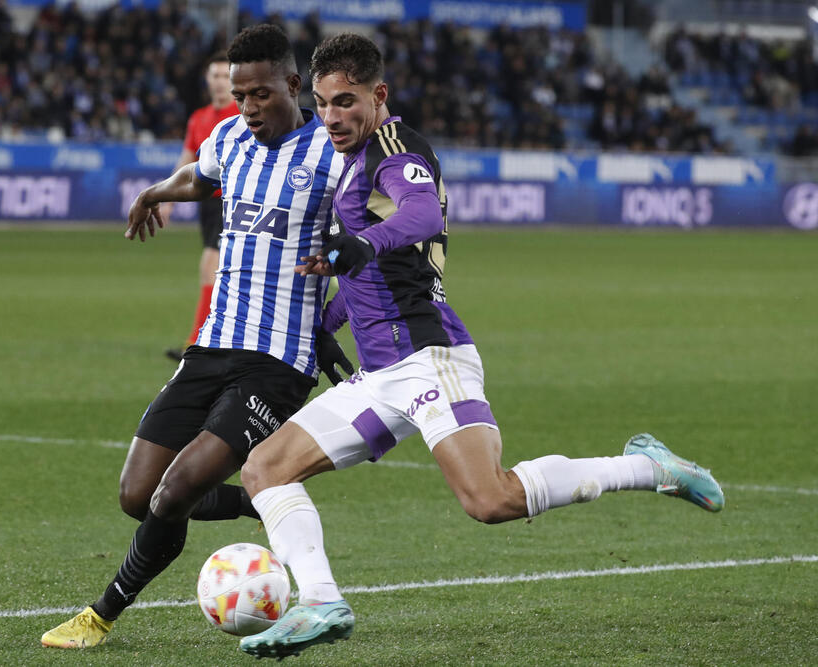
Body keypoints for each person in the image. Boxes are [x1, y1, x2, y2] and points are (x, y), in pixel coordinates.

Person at [236, 33, 725, 660]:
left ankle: (649, 467)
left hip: (431, 358)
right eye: (326, 104)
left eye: (347, 102)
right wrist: (332, 321)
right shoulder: (354, 160)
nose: (332, 117)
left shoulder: (397, 148)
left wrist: (363, 247)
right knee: (265, 470)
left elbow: (420, 217)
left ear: (378, 96)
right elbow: (371, 268)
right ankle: (321, 601)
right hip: (380, 371)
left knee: (490, 499)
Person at [40, 24, 350, 649]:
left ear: (293, 85)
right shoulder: (232, 137)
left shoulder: (330, 154)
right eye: (239, 96)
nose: (248, 108)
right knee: (139, 494)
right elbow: (199, 173)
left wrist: (334, 318)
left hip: (276, 363)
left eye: (260, 94)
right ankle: (265, 499)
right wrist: (156, 191)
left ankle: (99, 615)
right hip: (211, 347)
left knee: (177, 488)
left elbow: (373, 242)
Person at [161, 52, 240, 362]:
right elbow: (186, 160)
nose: (219, 83)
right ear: (207, 80)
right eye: (215, 76)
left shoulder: (242, 115)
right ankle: (216, 339)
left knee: (210, 266)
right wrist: (166, 198)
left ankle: (197, 342)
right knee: (217, 270)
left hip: (233, 200)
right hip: (207, 205)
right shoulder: (199, 118)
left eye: (225, 77)